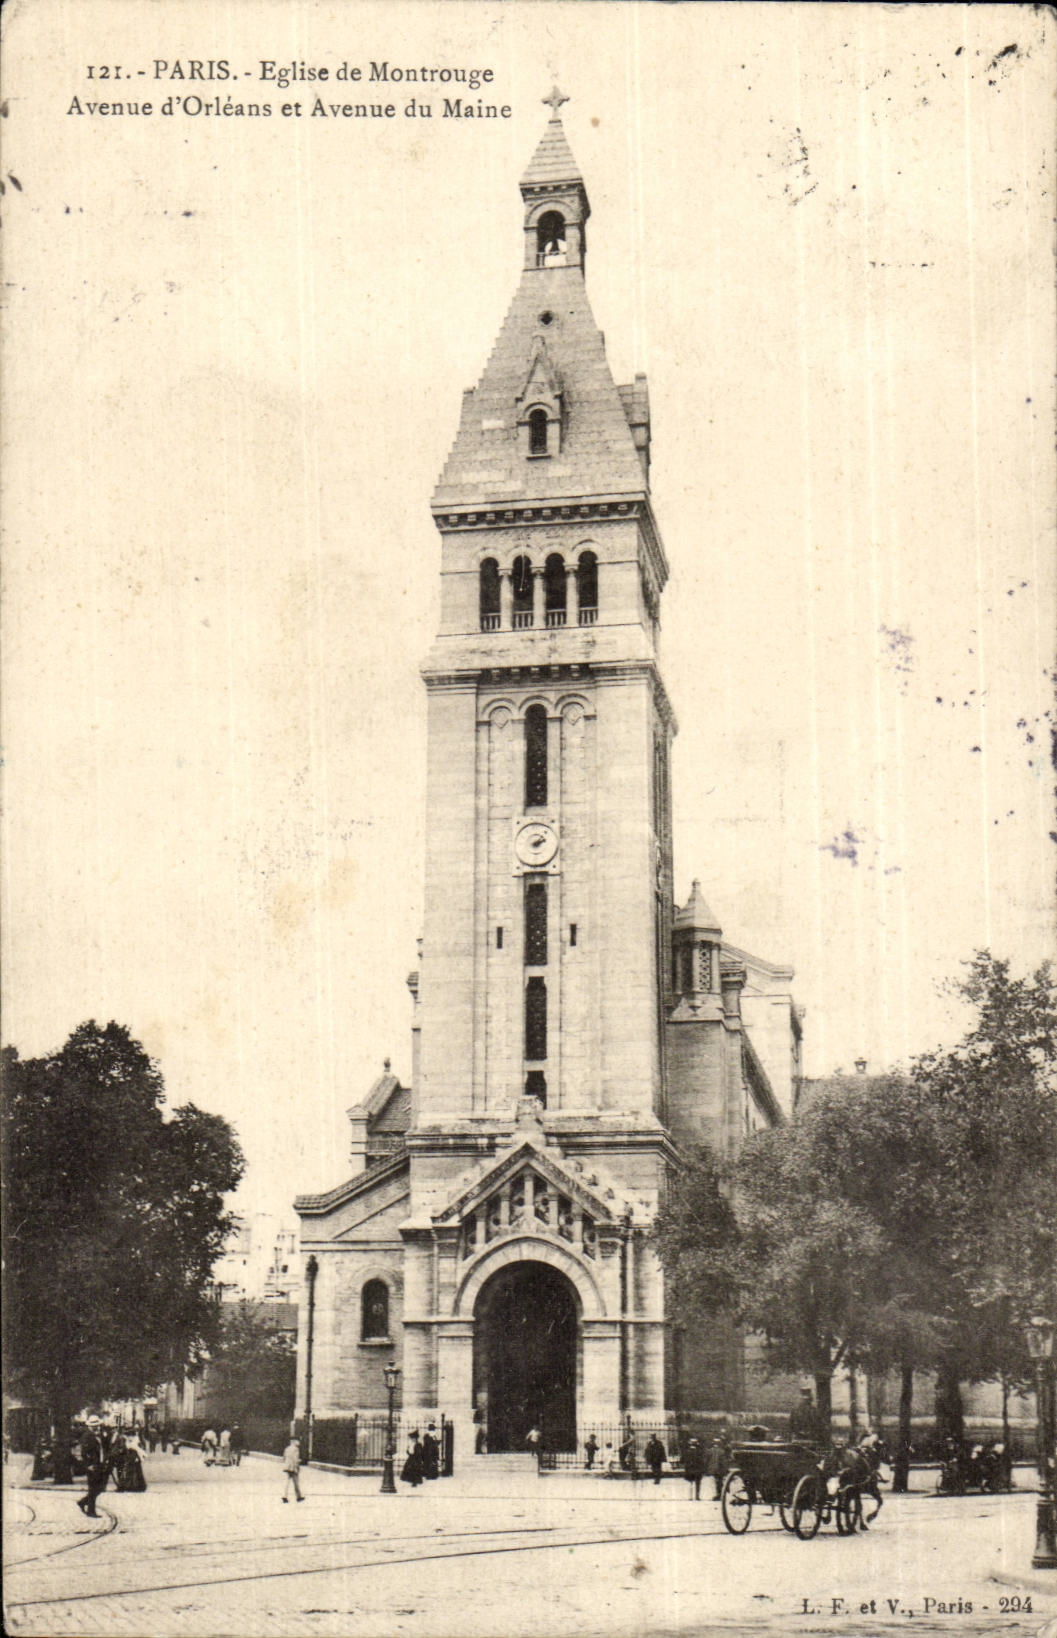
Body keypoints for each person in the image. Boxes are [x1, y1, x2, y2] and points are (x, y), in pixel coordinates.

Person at [77, 1417, 107, 1519]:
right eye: (94, 1426)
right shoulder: (87, 1436)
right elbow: (84, 1452)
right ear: (90, 1426)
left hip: (98, 1464)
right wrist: (88, 1465)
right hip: (92, 1466)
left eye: (97, 1425)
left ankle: (83, 1503)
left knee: (99, 1488)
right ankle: (91, 1510)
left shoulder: (97, 1435)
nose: (96, 1427)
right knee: (94, 1488)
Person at [281, 1435, 304, 1502]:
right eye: (298, 1441)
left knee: (287, 1482)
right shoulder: (296, 1449)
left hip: (287, 1467)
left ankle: (284, 1496)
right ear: (294, 1442)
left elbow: (284, 1457)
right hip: (293, 1467)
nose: (299, 1442)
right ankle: (298, 1497)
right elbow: (295, 1459)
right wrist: (297, 1467)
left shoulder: (287, 1448)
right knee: (296, 1482)